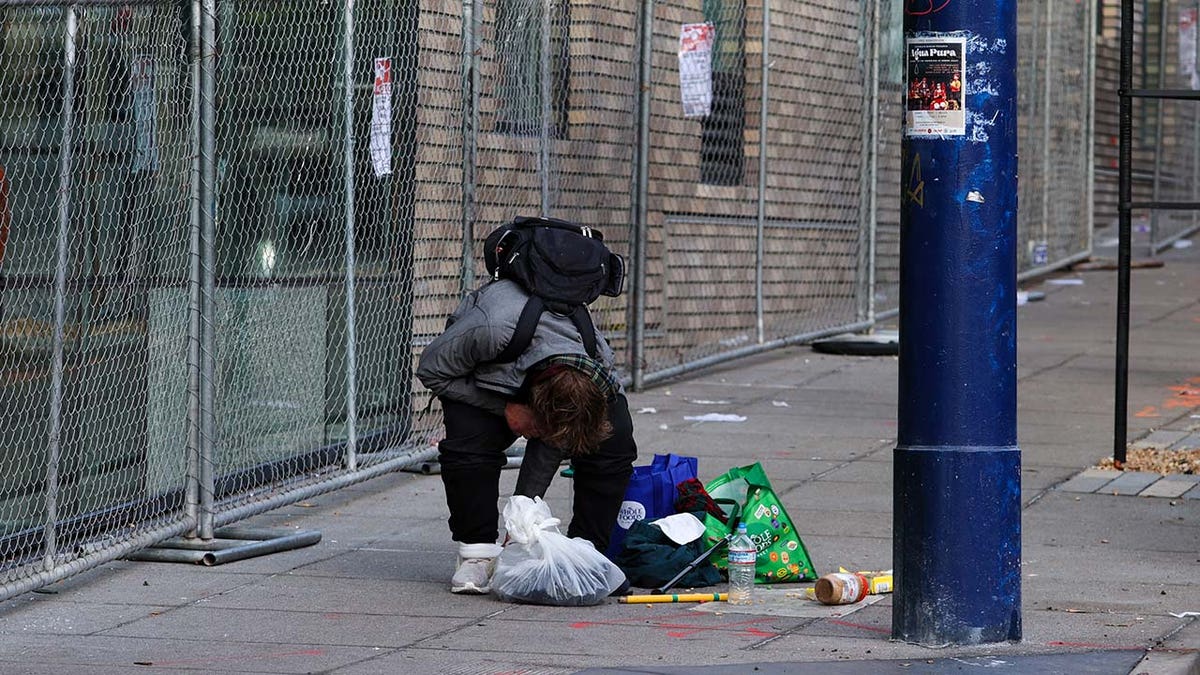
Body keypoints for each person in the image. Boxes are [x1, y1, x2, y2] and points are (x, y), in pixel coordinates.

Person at [416, 278, 638, 594]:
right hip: (485, 382)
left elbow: (555, 436)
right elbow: (431, 369)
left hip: (546, 383)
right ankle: (477, 554)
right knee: (468, 445)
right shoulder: (490, 329)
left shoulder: (597, 362)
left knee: (614, 441)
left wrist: (522, 517)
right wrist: (505, 407)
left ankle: (587, 552)